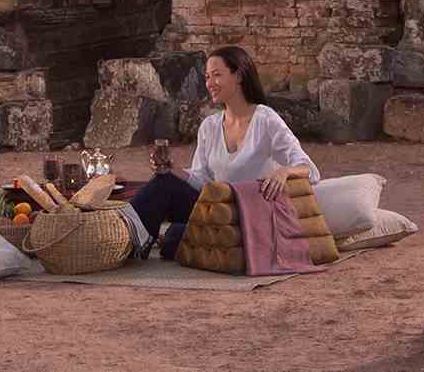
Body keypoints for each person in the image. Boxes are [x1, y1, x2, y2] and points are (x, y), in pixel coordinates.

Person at [127, 45, 319, 259]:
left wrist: (284, 172)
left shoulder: (265, 120)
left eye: (217, 75)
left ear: (238, 76)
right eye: (207, 77)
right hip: (218, 210)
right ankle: (124, 238)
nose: (209, 83)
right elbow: (202, 179)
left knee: (175, 238)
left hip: (249, 215)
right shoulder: (209, 126)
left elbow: (311, 170)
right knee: (164, 182)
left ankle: (159, 237)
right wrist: (171, 169)